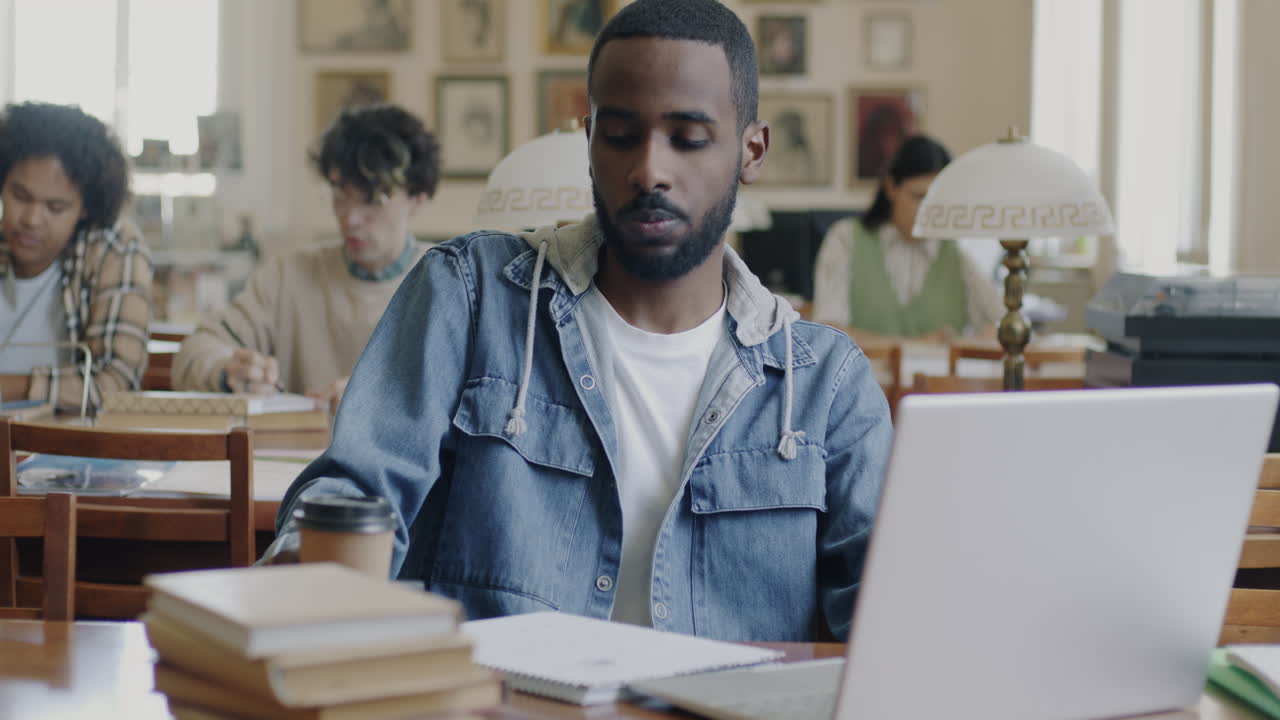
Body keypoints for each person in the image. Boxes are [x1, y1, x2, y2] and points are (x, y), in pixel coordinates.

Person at [268, 0, 891, 643]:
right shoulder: (471, 296)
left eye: (689, 138)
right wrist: (302, 602)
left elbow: (891, 619)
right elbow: (354, 496)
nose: (649, 169)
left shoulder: (824, 384)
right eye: (620, 135)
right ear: (588, 138)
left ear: (751, 149)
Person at [172, 104, 438, 406]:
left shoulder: (446, 285)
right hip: (295, 453)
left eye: (371, 200)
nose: (349, 218)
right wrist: (227, 371)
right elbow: (194, 352)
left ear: (417, 200)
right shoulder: (289, 276)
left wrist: (375, 401)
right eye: (340, 196)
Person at [0, 101, 152, 413]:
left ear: (85, 208)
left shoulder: (114, 248)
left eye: (55, 207)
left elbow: (114, 383)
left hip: (64, 449)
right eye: (20, 196)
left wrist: (13, 387)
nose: (30, 219)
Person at [812, 134, 1004, 340]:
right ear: (891, 187)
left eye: (938, 201)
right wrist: (915, 345)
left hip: (940, 372)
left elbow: (1002, 323)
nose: (929, 211)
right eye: (919, 197)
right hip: (865, 372)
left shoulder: (959, 251)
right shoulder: (845, 239)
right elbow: (829, 333)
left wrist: (972, 341)